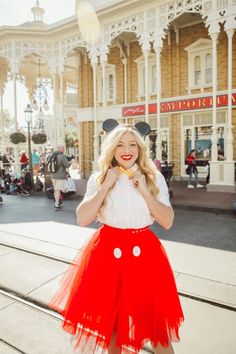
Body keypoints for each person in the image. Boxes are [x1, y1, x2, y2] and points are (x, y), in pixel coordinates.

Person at [49, 123, 184, 354]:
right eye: (120, 144)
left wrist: (144, 190)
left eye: (132, 144)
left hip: (145, 255)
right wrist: (105, 188)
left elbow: (167, 221)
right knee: (112, 329)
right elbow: (82, 219)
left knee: (157, 327)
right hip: (108, 256)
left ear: (140, 148)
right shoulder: (99, 178)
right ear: (111, 148)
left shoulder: (154, 177)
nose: (126, 150)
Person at [48, 145, 77, 211]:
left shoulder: (51, 156)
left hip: (53, 175)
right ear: (59, 149)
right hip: (60, 176)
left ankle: (57, 201)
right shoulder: (62, 156)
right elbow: (67, 165)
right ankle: (56, 203)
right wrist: (71, 161)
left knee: (56, 189)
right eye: (62, 148)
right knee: (58, 190)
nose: (63, 150)